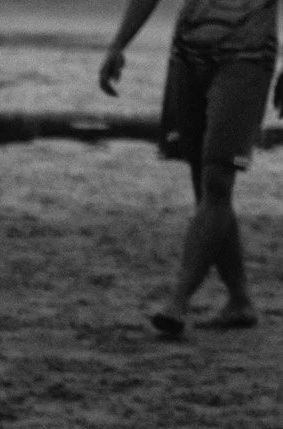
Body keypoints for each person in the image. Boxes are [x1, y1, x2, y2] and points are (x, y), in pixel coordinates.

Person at [99, 0, 279, 337]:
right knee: (204, 181)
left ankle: (178, 301)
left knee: (216, 180)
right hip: (188, 52)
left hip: (248, 55)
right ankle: (239, 301)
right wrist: (118, 44)